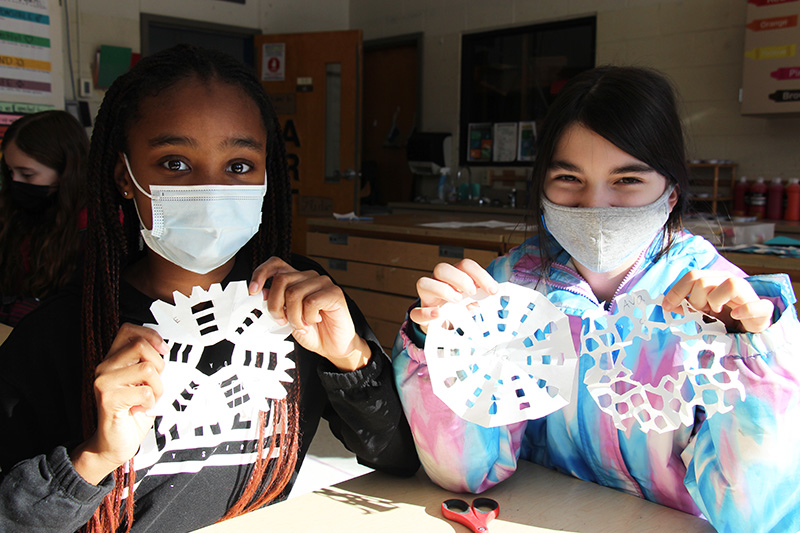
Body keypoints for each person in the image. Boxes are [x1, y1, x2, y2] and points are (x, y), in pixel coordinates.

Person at [0, 44, 419, 533]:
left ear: (268, 174)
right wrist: (93, 458)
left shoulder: (303, 304)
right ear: (125, 177)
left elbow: (402, 457)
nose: (211, 188)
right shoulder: (60, 334)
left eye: (239, 166)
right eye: (174, 163)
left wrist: (350, 358)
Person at [393, 66, 800, 533]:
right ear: (542, 188)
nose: (595, 207)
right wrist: (440, 344)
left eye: (627, 180)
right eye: (569, 178)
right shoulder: (506, 293)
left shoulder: (722, 313)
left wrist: (756, 360)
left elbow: (761, 517)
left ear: (670, 193)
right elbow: (466, 474)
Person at [0, 110, 89, 326]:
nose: (15, 181)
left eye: (27, 174)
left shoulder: (92, 228)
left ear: (66, 171)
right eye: (10, 171)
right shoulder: (16, 211)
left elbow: (71, 313)